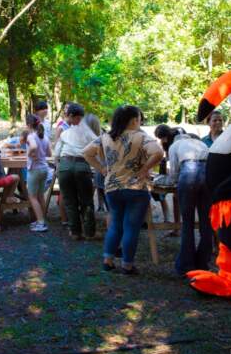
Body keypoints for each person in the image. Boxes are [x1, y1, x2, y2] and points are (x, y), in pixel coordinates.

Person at [83, 105, 163, 275]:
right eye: (139, 118)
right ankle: (127, 265)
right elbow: (158, 153)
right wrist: (144, 169)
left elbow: (86, 153)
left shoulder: (106, 137)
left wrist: (102, 168)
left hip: (112, 187)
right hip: (136, 188)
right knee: (131, 227)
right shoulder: (141, 136)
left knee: (116, 225)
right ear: (134, 120)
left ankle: (108, 261)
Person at [167, 127, 214, 275]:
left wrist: (171, 181)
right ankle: (203, 262)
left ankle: (186, 265)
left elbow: (174, 173)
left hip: (188, 174)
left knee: (187, 222)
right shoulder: (200, 143)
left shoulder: (174, 146)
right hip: (208, 175)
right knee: (206, 222)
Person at [55, 104, 98, 239]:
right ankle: (90, 232)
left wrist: (58, 166)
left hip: (65, 165)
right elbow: (97, 152)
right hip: (82, 165)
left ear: (72, 117)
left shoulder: (65, 133)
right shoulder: (90, 133)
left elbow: (56, 153)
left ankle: (74, 232)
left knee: (69, 200)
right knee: (86, 200)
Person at [25, 114, 52, 233]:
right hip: (44, 168)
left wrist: (29, 154)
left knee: (32, 197)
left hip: (35, 169)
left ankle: (41, 223)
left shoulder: (31, 136)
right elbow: (49, 154)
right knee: (40, 196)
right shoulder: (44, 137)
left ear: (29, 125)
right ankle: (42, 220)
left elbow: (34, 146)